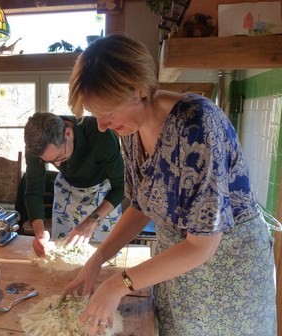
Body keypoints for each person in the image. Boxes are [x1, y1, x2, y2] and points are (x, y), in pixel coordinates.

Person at [63, 34, 276, 336]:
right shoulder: (129, 130)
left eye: (107, 113)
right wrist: (97, 260)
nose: (101, 125)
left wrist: (118, 284)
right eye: (97, 115)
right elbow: (141, 207)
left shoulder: (197, 125)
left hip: (228, 274)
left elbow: (202, 245)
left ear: (138, 89)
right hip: (177, 268)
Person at [24, 112, 125, 257]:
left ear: (68, 133)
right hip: (67, 189)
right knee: (62, 254)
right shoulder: (35, 146)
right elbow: (34, 190)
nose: (58, 164)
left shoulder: (100, 135)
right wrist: (40, 232)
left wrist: (92, 221)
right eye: (50, 161)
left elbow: (122, 186)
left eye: (60, 156)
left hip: (103, 192)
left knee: (105, 255)